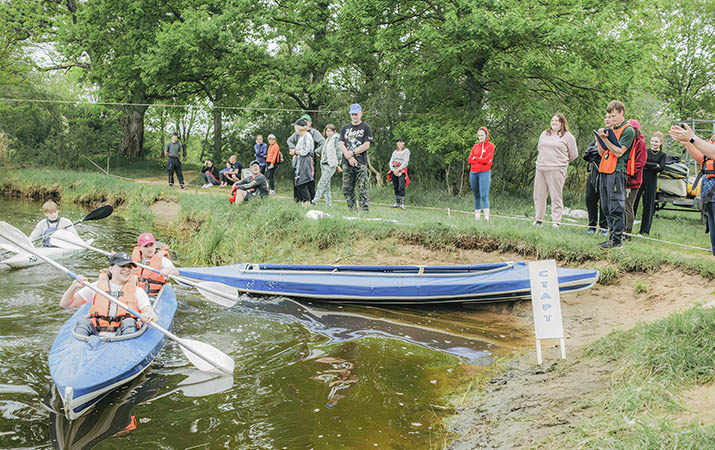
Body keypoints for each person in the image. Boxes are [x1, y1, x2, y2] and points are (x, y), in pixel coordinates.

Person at [60, 252, 157, 337]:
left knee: (129, 322)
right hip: (97, 332)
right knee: (83, 323)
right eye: (122, 266)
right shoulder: (96, 287)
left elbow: (153, 316)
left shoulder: (138, 291)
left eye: (129, 267)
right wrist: (74, 287)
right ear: (111, 269)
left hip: (124, 335)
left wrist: (148, 316)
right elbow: (65, 304)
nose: (126, 269)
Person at [669, 125, 715, 255]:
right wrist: (686, 142)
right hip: (710, 191)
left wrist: (692, 138)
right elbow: (703, 158)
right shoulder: (714, 138)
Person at [596, 100, 635, 249]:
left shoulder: (628, 130)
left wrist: (606, 139)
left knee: (616, 206)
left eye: (613, 116)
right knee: (606, 206)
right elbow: (602, 152)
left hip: (617, 171)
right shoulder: (611, 129)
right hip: (604, 170)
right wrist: (599, 140)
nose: (610, 119)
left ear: (621, 113)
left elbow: (619, 152)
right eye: (609, 117)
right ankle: (610, 237)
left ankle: (617, 240)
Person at [532, 113, 578, 228]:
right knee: (539, 195)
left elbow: (573, 154)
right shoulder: (544, 134)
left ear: (562, 123)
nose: (554, 123)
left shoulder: (568, 136)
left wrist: (561, 162)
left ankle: (556, 221)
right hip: (541, 167)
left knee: (555, 195)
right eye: (552, 120)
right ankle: (538, 219)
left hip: (557, 169)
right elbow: (539, 148)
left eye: (557, 121)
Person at [339, 104, 374, 212]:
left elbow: (366, 145)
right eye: (353, 114)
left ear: (361, 114)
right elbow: (341, 143)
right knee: (347, 188)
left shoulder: (365, 127)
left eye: (356, 114)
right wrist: (348, 156)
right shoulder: (345, 128)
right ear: (350, 114)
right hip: (347, 162)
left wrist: (352, 153)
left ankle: (364, 211)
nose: (354, 116)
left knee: (363, 187)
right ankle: (352, 210)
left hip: (361, 162)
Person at [583, 113, 610, 235]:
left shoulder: (615, 136)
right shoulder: (597, 136)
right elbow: (587, 154)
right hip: (593, 173)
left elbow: (607, 153)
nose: (607, 119)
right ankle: (592, 226)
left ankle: (604, 227)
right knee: (590, 198)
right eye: (606, 117)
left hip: (607, 173)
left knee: (604, 201)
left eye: (610, 117)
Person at [635, 132, 667, 235]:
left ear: (660, 143)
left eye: (656, 141)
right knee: (634, 202)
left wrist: (647, 165)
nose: (654, 143)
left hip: (652, 181)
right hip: (640, 178)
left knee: (648, 205)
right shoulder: (646, 151)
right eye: (652, 141)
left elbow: (661, 168)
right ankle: (627, 227)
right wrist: (654, 165)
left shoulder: (662, 155)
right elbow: (641, 162)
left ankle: (644, 231)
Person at [287, 114, 325, 200]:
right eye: (303, 121)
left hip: (308, 158)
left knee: (308, 180)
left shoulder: (312, 133)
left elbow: (323, 142)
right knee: (298, 179)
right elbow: (289, 140)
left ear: (310, 123)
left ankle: (310, 200)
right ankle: (298, 199)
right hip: (299, 158)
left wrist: (316, 152)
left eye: (306, 121)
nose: (304, 122)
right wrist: (293, 149)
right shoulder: (298, 134)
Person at [131, 232, 178, 297]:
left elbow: (176, 272)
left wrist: (168, 270)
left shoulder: (162, 260)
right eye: (146, 246)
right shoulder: (135, 260)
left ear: (155, 245)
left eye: (151, 245)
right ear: (139, 248)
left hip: (155, 296)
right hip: (137, 293)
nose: (150, 249)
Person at [623, 119, 648, 240]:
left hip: (633, 180)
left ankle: (627, 232)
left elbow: (640, 163)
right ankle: (621, 230)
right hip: (624, 178)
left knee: (628, 206)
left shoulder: (641, 143)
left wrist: (628, 174)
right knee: (621, 205)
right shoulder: (628, 141)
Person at [467, 127, 494, 221]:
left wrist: (476, 159)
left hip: (484, 172)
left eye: (482, 135)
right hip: (473, 172)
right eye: (479, 136)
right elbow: (469, 160)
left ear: (486, 135)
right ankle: (477, 217)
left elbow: (488, 161)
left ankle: (486, 218)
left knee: (484, 195)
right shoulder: (475, 146)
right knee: (476, 196)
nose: (480, 137)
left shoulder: (491, 146)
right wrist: (478, 160)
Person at [312, 124, 342, 206]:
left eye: (330, 131)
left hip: (331, 164)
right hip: (324, 164)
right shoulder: (328, 139)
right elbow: (324, 149)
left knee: (321, 183)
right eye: (327, 131)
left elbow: (339, 151)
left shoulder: (336, 139)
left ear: (334, 131)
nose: (328, 132)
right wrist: (317, 151)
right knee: (326, 186)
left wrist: (338, 164)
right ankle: (328, 204)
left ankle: (315, 201)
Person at [291, 119, 315, 205]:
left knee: (303, 181)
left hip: (305, 161)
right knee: (300, 182)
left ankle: (307, 201)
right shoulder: (302, 137)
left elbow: (305, 151)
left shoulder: (307, 136)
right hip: (300, 161)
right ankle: (304, 202)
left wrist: (295, 152)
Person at [387, 137, 411, 210]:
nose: (399, 143)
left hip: (401, 171)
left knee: (401, 186)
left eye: (401, 142)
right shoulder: (394, 152)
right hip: (394, 170)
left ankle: (402, 203)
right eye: (398, 142)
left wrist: (399, 169)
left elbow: (405, 162)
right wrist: (393, 169)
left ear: (403, 143)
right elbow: (391, 161)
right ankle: (396, 202)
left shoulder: (406, 151)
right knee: (395, 186)